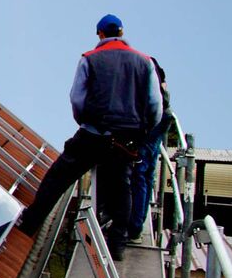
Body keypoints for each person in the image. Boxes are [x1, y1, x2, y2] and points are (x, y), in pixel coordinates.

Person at [19, 14, 162, 260]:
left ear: (100, 34)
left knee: (58, 178)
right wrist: (141, 132)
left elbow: (77, 98)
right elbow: (154, 105)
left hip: (93, 134)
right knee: (122, 187)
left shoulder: (90, 59)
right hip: (125, 140)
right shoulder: (145, 62)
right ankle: (117, 245)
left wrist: (85, 122)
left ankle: (30, 224)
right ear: (122, 32)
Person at [127, 57, 173, 241]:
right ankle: (137, 222)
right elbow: (164, 85)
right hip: (162, 119)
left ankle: (134, 228)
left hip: (154, 121)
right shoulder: (150, 62)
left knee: (140, 172)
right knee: (147, 173)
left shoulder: (138, 69)